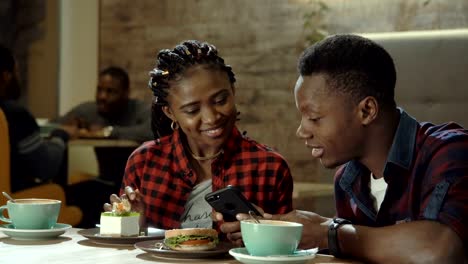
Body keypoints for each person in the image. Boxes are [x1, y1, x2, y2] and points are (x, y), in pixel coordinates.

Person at [219, 34, 468, 263]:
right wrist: (277, 236)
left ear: (367, 111)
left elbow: (439, 250)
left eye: (314, 118)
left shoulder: (450, 151)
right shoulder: (348, 180)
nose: (301, 131)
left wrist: (329, 232)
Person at [105, 40, 294, 231]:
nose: (211, 118)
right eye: (192, 110)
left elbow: (287, 250)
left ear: (233, 91)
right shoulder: (144, 162)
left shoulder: (269, 167)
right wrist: (131, 227)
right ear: (170, 112)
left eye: (221, 100)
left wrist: (260, 233)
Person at [0, 44, 76, 192]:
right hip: (15, 200)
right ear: (6, 76)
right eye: (16, 72)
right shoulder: (15, 114)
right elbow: (45, 167)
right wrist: (60, 135)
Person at [54, 66, 152, 143]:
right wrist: (66, 129)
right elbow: (50, 126)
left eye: (110, 91)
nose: (102, 96)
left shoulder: (138, 109)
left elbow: (153, 130)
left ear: (126, 93)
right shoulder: (88, 110)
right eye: (99, 90)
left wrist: (107, 132)